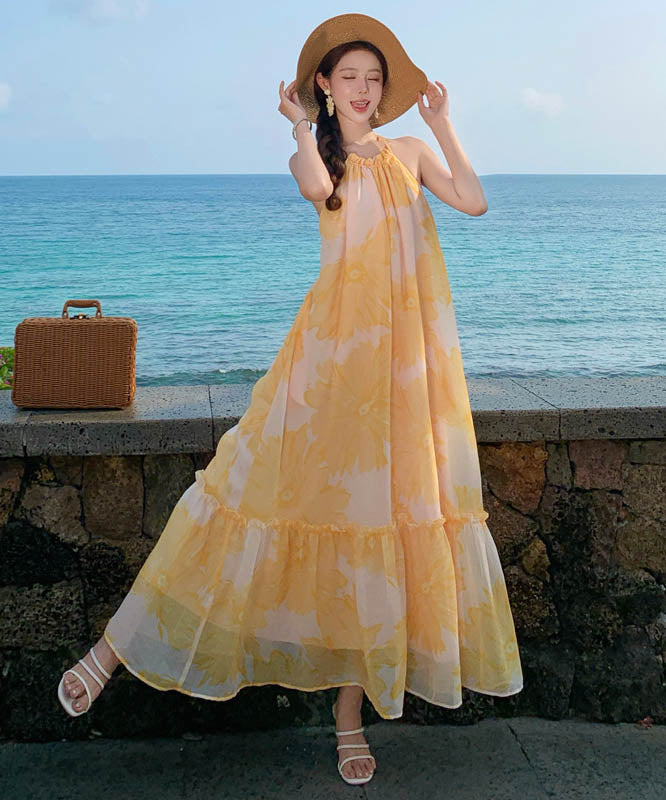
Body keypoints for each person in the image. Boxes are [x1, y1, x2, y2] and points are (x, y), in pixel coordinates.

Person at [58, 12, 523, 787]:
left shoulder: (410, 152)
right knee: (232, 492)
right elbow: (315, 187)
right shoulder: (317, 156)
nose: (365, 90)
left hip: (404, 374)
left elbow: (472, 201)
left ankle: (348, 718)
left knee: (377, 526)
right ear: (326, 86)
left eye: (374, 79)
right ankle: (110, 652)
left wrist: (444, 124)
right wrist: (300, 125)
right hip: (325, 367)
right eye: (350, 78)